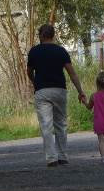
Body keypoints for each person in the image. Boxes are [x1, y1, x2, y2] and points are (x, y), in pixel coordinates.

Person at [27, 24, 86, 167]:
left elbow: (29, 72)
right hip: (60, 90)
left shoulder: (34, 51)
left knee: (46, 126)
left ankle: (52, 159)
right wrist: (80, 91)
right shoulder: (61, 51)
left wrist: (36, 84)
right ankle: (62, 156)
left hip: (42, 91)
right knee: (61, 124)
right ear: (52, 35)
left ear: (42, 35)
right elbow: (72, 73)